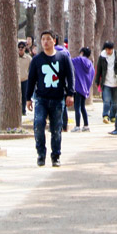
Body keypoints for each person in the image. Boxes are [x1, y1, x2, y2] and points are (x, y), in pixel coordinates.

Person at [26, 30, 75, 167]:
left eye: (48, 39)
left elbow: (70, 76)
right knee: (39, 125)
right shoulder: (37, 60)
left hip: (58, 99)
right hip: (41, 98)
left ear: (54, 41)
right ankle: (41, 154)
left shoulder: (63, 58)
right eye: (43, 39)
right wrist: (28, 98)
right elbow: (31, 79)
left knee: (56, 129)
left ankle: (56, 156)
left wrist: (70, 94)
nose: (45, 42)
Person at [94, 40, 117, 123]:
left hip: (116, 82)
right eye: (107, 50)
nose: (108, 51)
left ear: (113, 49)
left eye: (110, 50)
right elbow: (99, 69)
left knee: (115, 102)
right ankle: (105, 115)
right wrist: (97, 81)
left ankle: (113, 116)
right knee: (106, 100)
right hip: (106, 82)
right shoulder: (102, 57)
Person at [72, 47, 95, 132]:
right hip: (85, 88)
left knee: (77, 107)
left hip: (78, 86)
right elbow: (92, 76)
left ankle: (77, 126)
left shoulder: (78, 60)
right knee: (82, 107)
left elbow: (69, 63)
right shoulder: (90, 64)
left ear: (81, 52)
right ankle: (86, 125)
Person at [18, 41, 31, 116]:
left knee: (24, 96)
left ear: (24, 48)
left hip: (25, 79)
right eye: (19, 47)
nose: (20, 49)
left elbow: (31, 69)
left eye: (22, 47)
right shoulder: (14, 58)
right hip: (16, 80)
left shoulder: (28, 58)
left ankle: (23, 110)